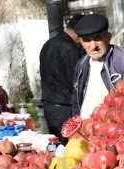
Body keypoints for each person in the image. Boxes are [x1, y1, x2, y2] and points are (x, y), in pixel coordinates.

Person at [71, 14, 124, 119]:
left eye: (97, 38)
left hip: (114, 127)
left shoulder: (122, 58)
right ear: (81, 42)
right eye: (87, 40)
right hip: (86, 128)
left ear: (108, 37)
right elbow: (75, 100)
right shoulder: (81, 65)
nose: (93, 46)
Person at [40, 14, 83, 143]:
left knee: (57, 146)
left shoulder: (48, 44)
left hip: (48, 105)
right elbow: (77, 79)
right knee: (69, 147)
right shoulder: (70, 48)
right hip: (65, 106)